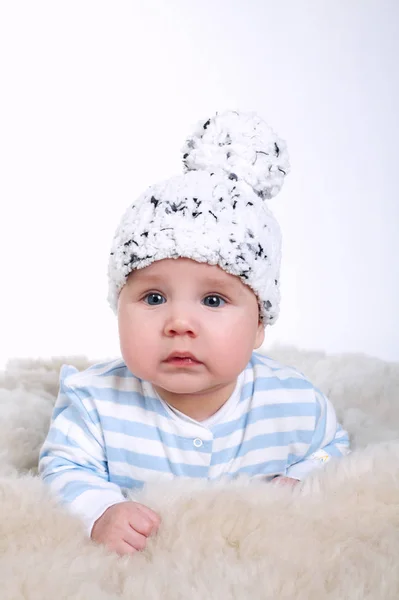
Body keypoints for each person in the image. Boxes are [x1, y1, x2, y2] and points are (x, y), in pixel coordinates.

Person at [38, 110, 350, 557]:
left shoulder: (292, 403)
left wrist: (300, 478)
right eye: (153, 298)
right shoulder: (95, 403)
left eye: (213, 301)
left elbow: (333, 447)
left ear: (259, 323)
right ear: (117, 307)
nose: (179, 323)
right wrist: (101, 509)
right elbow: (63, 466)